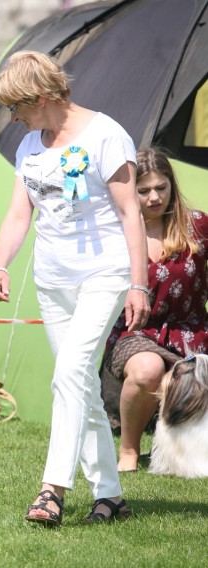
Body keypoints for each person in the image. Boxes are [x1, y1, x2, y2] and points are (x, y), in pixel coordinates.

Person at [0, 51, 150, 525]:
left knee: (70, 373)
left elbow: (129, 214)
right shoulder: (30, 146)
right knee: (77, 382)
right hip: (51, 277)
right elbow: (20, 214)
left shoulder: (106, 134)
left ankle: (51, 489)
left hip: (104, 272)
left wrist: (138, 283)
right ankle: (111, 495)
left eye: (18, 108)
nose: (14, 119)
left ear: (41, 97)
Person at [103, 147, 208, 472]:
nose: (153, 198)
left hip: (192, 332)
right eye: (143, 190)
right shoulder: (115, 232)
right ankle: (129, 452)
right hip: (136, 333)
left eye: (161, 188)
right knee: (148, 369)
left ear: (172, 187)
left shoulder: (199, 226)